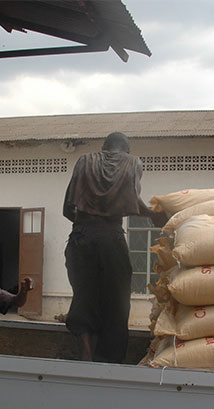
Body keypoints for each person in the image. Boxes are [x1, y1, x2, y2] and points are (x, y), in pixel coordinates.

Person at [63, 131, 167, 363]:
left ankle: (86, 352)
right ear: (127, 150)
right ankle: (111, 362)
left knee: (83, 296)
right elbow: (134, 200)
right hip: (111, 237)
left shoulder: (84, 160)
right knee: (117, 302)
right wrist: (154, 216)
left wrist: (88, 224)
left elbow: (67, 208)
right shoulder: (133, 162)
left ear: (104, 147)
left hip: (81, 236)